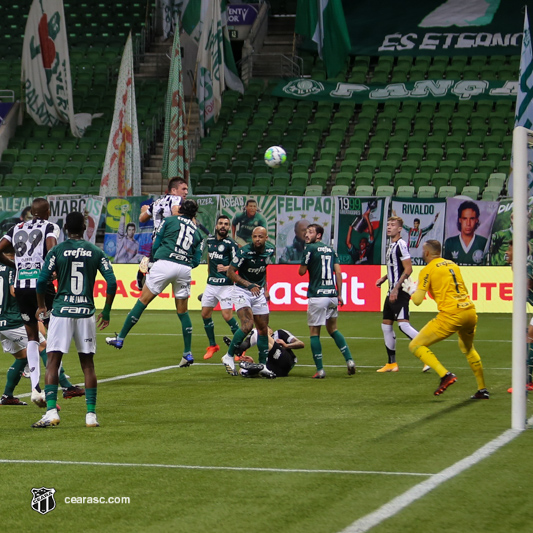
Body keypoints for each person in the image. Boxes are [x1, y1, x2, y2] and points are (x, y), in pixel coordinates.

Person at [32, 212, 117, 428]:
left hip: (61, 312)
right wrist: (106, 311)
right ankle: (90, 415)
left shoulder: (57, 250)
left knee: (53, 362)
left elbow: (41, 281)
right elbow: (112, 282)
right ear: (84, 228)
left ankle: (51, 412)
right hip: (85, 312)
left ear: (66, 228)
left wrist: (42, 306)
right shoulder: (95, 251)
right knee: (88, 365)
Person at [106, 200, 203, 368]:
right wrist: (185, 264)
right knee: (183, 311)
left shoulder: (170, 220)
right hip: (184, 269)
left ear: (180, 209)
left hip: (164, 263)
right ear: (194, 214)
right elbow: (196, 260)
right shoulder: (198, 233)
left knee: (142, 301)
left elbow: (157, 242)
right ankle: (187, 353)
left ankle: (120, 338)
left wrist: (154, 260)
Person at [403, 239, 488, 398]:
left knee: (415, 345)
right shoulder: (452, 265)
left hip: (451, 315)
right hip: (469, 311)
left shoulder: (427, 270)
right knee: (468, 348)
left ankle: (445, 375)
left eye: (423, 250)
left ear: (427, 252)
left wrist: (410, 290)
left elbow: (417, 301)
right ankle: (482, 389)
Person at [0, 254, 84, 406]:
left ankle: (7, 396)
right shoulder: (14, 266)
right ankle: (66, 386)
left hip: (3, 322)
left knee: (22, 356)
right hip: (11, 320)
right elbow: (14, 291)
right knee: (42, 345)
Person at [0, 198, 60, 406]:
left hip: (22, 286)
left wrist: (14, 266)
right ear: (48, 212)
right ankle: (56, 388)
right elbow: (52, 250)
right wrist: (52, 271)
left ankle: (35, 389)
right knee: (54, 335)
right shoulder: (51, 227)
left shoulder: (16, 227)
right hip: (42, 285)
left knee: (32, 337)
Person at [298, 223, 356, 378]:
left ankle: (320, 370)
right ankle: (349, 360)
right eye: (306, 232)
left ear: (318, 235)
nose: (307, 234)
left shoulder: (309, 249)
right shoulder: (331, 250)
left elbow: (301, 272)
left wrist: (306, 259)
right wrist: (339, 294)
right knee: (333, 329)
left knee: (314, 332)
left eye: (310, 232)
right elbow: (338, 272)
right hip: (332, 295)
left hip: (317, 296)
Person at [221, 226, 275, 377]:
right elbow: (230, 272)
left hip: (257, 291)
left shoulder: (270, 250)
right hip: (241, 290)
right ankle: (229, 356)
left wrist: (265, 288)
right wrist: (248, 285)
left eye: (260, 237)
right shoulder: (244, 251)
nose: (257, 239)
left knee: (263, 329)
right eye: (255, 236)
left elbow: (264, 270)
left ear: (266, 238)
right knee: (247, 325)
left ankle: (263, 365)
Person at [375, 216, 422, 373]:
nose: (389, 227)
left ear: (400, 229)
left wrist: (396, 288)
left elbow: (408, 269)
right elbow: (396, 268)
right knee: (386, 325)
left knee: (403, 325)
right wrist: (384, 278)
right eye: (388, 224)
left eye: (393, 225)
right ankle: (391, 363)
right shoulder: (391, 245)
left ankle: (427, 354)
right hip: (391, 290)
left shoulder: (401, 245)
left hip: (399, 290)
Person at [136, 177, 188, 288]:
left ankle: (142, 272)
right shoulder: (178, 200)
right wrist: (189, 217)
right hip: (170, 242)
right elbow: (175, 212)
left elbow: (142, 218)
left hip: (157, 241)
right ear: (174, 190)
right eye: (183, 189)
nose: (186, 192)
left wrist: (144, 210)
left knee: (153, 265)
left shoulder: (156, 202)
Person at [201, 215, 239, 360]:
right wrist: (209, 274)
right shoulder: (210, 241)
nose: (223, 226)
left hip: (226, 286)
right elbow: (210, 258)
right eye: (221, 223)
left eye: (226, 224)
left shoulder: (231, 244)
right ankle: (213, 345)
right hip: (211, 284)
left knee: (227, 316)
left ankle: (239, 350)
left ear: (229, 228)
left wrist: (228, 268)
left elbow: (238, 264)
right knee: (205, 314)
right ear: (216, 226)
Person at [504, 242, 533, 393]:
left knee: (529, 337)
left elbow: (526, 285)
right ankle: (529, 380)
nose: (507, 251)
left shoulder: (527, 265)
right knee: (530, 337)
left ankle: (527, 381)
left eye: (510, 249)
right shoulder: (525, 264)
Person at [224, 326, 304, 378]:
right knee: (242, 370)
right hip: (275, 370)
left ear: (271, 330)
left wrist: (286, 346)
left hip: (285, 360)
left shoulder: (280, 333)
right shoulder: (262, 344)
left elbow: (301, 344)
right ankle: (253, 366)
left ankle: (241, 348)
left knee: (258, 331)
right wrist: (252, 362)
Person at [443, 200, 488, 265]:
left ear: (476, 220)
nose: (468, 223)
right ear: (460, 220)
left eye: (472, 218)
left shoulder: (484, 242)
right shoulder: (450, 242)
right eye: (465, 218)